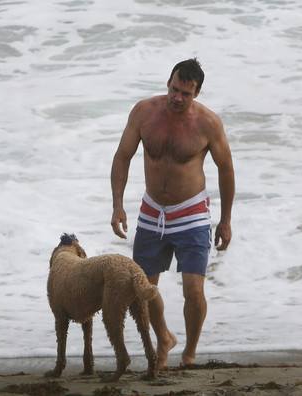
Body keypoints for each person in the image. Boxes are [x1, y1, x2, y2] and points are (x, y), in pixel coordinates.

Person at [110, 58, 235, 369]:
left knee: (193, 289)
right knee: (143, 291)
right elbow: (123, 156)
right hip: (152, 212)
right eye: (174, 89)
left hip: (191, 212)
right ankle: (164, 336)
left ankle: (190, 353)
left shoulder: (208, 123)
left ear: (197, 94)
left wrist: (226, 220)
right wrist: (117, 205)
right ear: (168, 83)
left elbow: (226, 170)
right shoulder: (144, 112)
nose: (178, 98)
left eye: (186, 94)